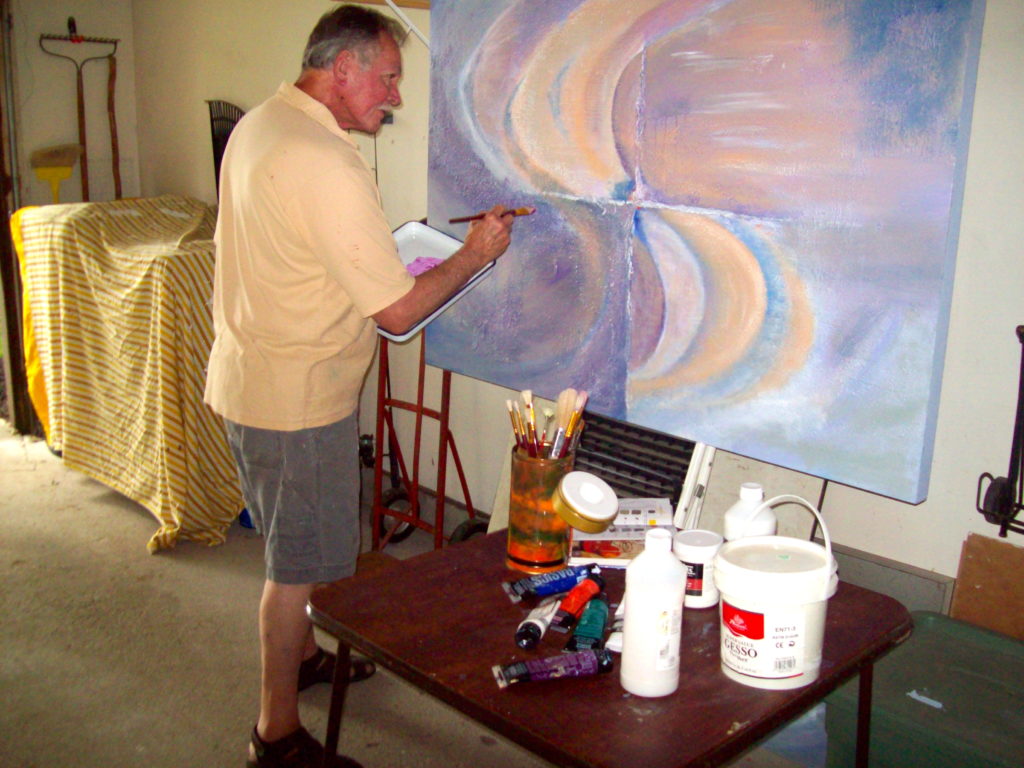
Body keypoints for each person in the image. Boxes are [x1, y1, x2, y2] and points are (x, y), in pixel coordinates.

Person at [204, 6, 516, 767]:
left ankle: (303, 657)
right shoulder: (326, 159)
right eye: (388, 77)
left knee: (294, 552)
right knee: (297, 570)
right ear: (341, 69)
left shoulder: (263, 123)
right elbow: (399, 307)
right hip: (297, 401)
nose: (396, 97)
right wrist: (475, 254)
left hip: (251, 379)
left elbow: (308, 252)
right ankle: (275, 736)